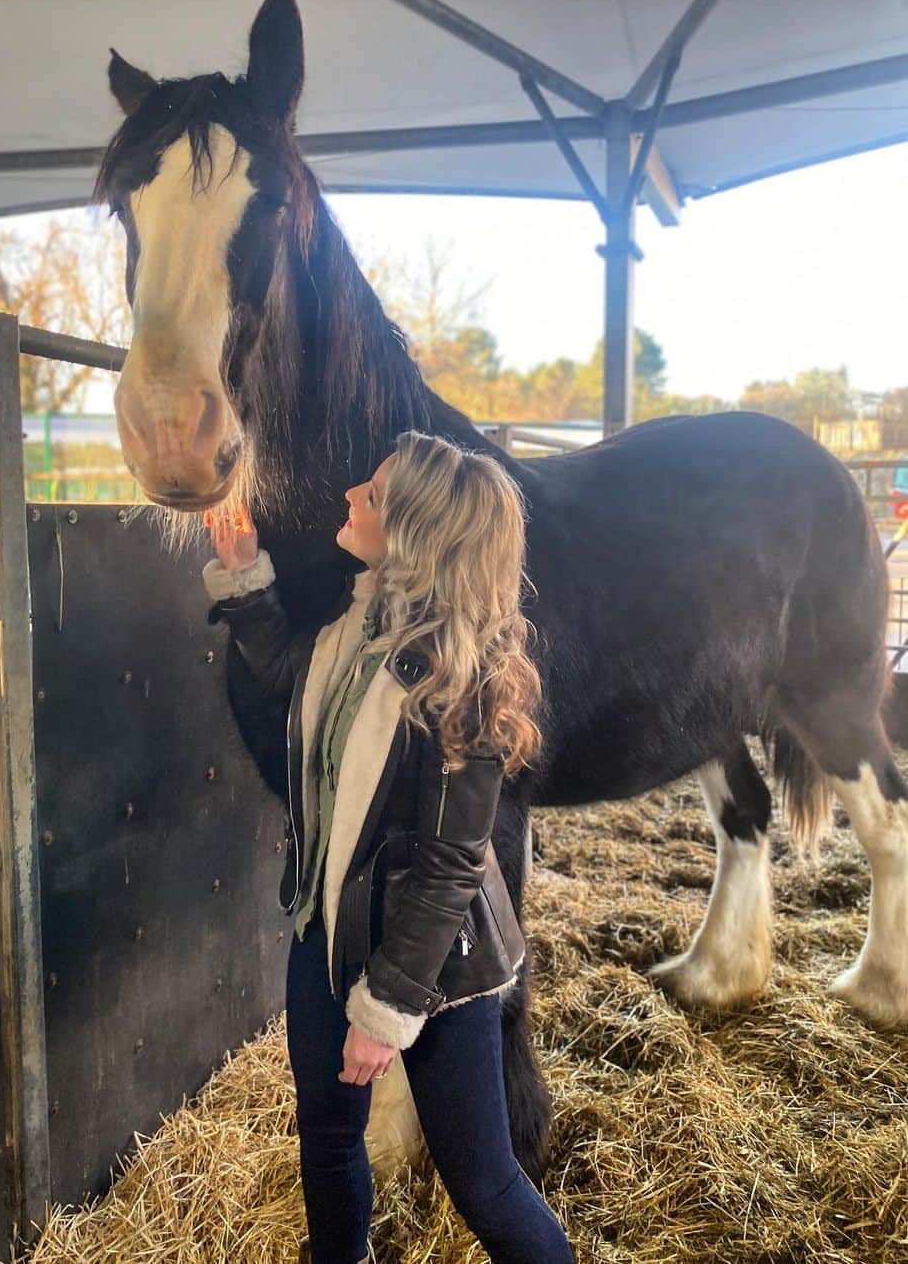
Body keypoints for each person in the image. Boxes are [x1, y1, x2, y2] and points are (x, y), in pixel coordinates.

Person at [202, 430, 573, 1264]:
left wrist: (388, 1008)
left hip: (436, 973)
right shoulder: (358, 626)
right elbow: (298, 684)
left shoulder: (460, 682)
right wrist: (244, 577)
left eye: (367, 496)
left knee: (482, 1183)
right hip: (326, 931)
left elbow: (447, 870)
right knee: (327, 1142)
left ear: (409, 530)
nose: (348, 500)